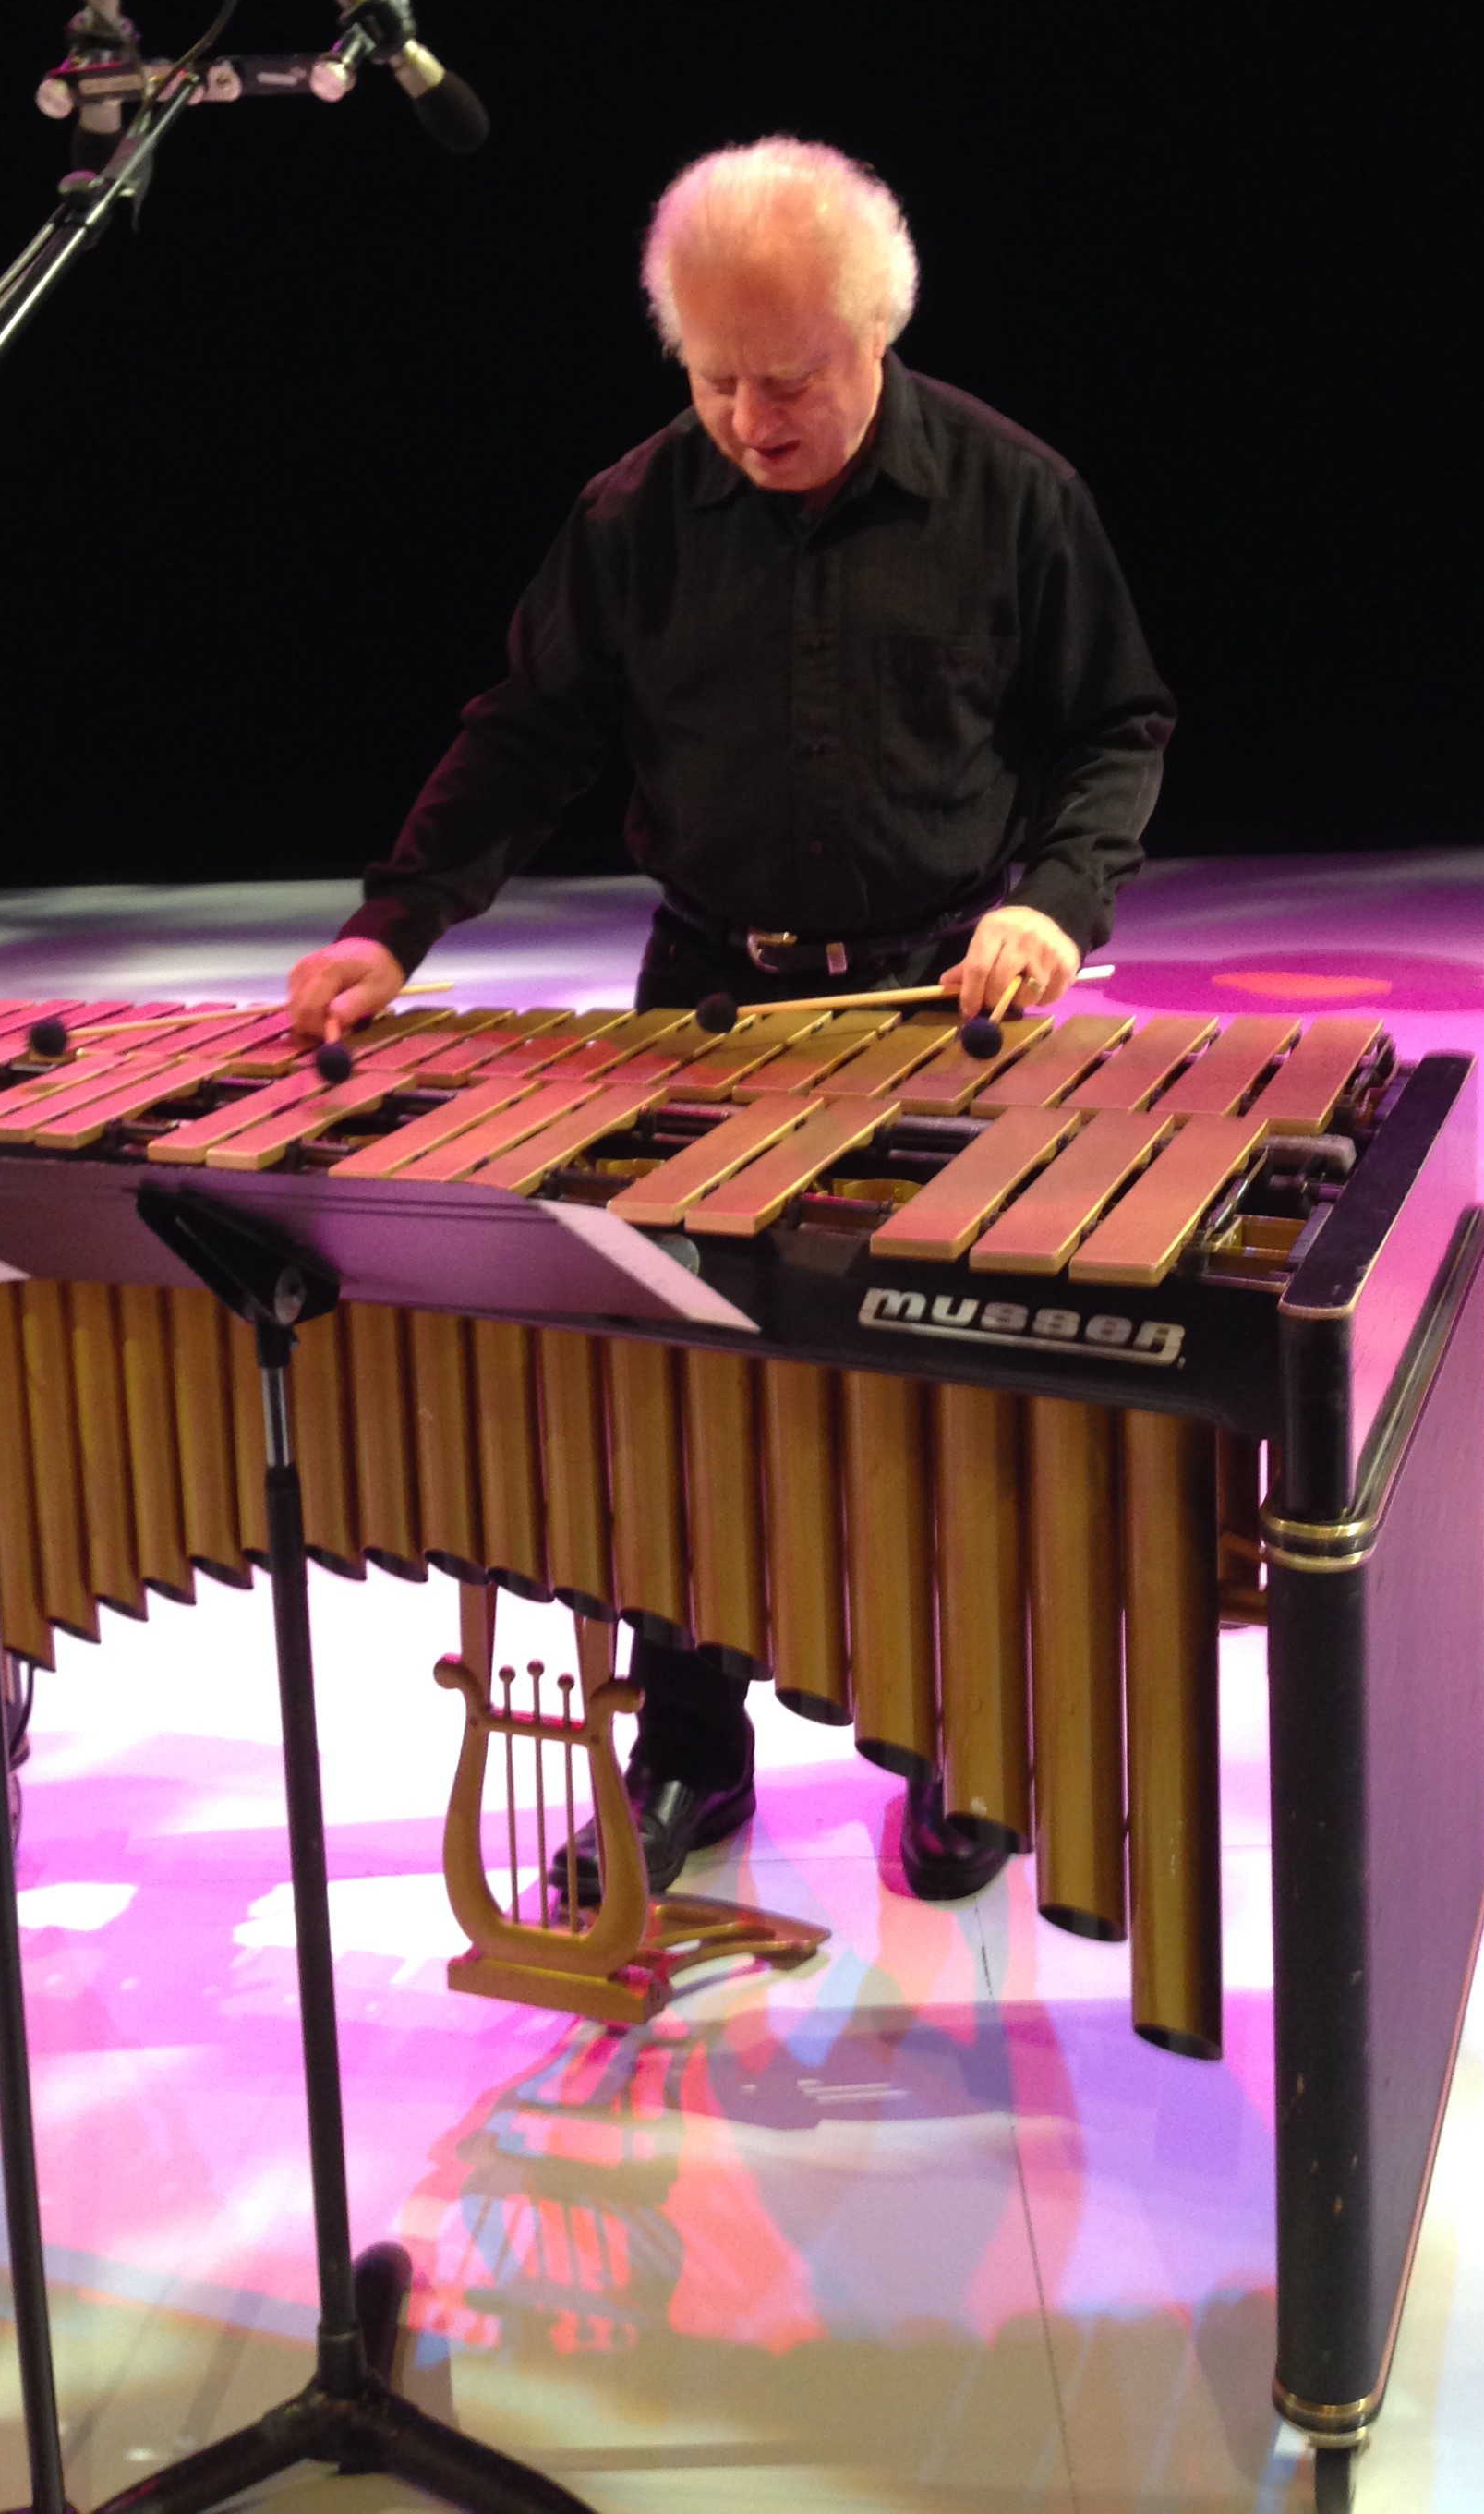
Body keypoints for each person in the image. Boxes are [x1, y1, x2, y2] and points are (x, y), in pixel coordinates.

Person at [289, 137, 1174, 1904]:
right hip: (709, 1004)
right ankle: (691, 1743)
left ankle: (958, 1738)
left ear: (876, 336)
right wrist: (399, 924)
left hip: (942, 1005)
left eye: (788, 383)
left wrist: (1048, 907)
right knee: (670, 1401)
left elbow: (1114, 729)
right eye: (714, 382)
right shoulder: (631, 518)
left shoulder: (1013, 496)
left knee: (939, 1401)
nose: (750, 422)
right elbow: (528, 735)